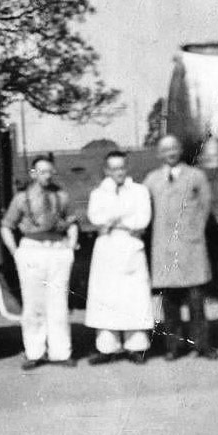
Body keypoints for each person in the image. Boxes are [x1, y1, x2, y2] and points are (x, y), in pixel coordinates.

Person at [143, 135, 218, 360]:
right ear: (159, 154)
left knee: (196, 301)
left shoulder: (196, 176)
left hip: (191, 248)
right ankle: (173, 347)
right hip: (164, 250)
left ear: (181, 150)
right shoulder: (151, 180)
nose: (171, 152)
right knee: (170, 304)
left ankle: (202, 346)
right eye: (165, 149)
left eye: (174, 147)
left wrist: (193, 232)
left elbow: (205, 208)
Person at [0, 154, 78, 370]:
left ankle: (61, 352)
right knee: (33, 304)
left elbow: (72, 223)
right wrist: (16, 252)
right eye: (42, 171)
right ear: (33, 173)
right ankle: (34, 352)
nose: (46, 176)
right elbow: (7, 225)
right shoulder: (21, 198)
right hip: (31, 251)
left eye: (49, 171)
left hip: (57, 250)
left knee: (58, 303)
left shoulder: (62, 196)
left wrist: (70, 246)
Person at [85, 151, 154, 365]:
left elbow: (142, 219)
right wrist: (123, 216)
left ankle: (136, 347)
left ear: (127, 168)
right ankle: (107, 347)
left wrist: (112, 219)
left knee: (133, 296)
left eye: (122, 167)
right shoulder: (98, 193)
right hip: (107, 247)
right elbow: (95, 217)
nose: (119, 172)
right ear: (106, 170)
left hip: (131, 246)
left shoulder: (140, 191)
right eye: (114, 168)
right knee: (106, 297)